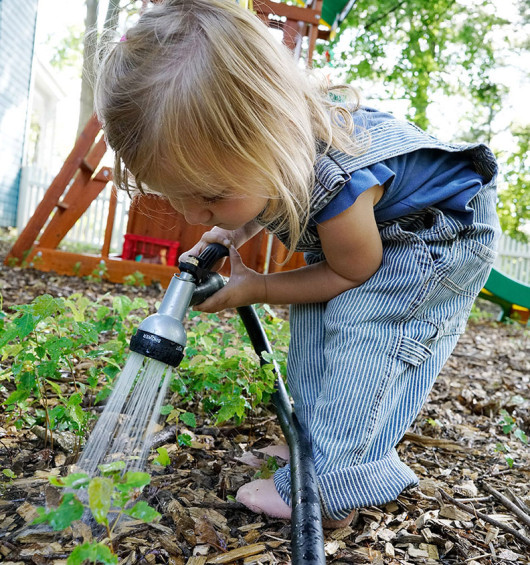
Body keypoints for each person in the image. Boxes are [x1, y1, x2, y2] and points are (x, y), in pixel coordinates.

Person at [95, 0, 501, 527]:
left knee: (365, 328)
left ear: (271, 144)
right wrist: (229, 225)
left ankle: (331, 484)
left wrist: (257, 287)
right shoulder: (274, 150)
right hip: (379, 235)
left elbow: (351, 273)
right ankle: (314, 444)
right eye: (179, 197)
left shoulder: (337, 183)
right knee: (312, 317)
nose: (194, 216)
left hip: (439, 235)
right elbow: (264, 196)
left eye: (211, 197)